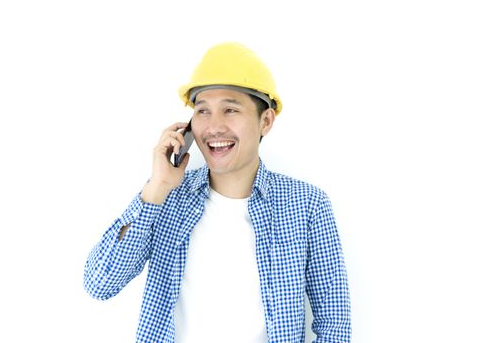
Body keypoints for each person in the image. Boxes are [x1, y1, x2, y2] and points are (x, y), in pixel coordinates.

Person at [83, 42, 351, 343]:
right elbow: (99, 283)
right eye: (203, 111)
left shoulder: (307, 205)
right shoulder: (165, 197)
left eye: (230, 109)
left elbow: (334, 326)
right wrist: (156, 187)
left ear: (266, 121)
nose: (214, 127)